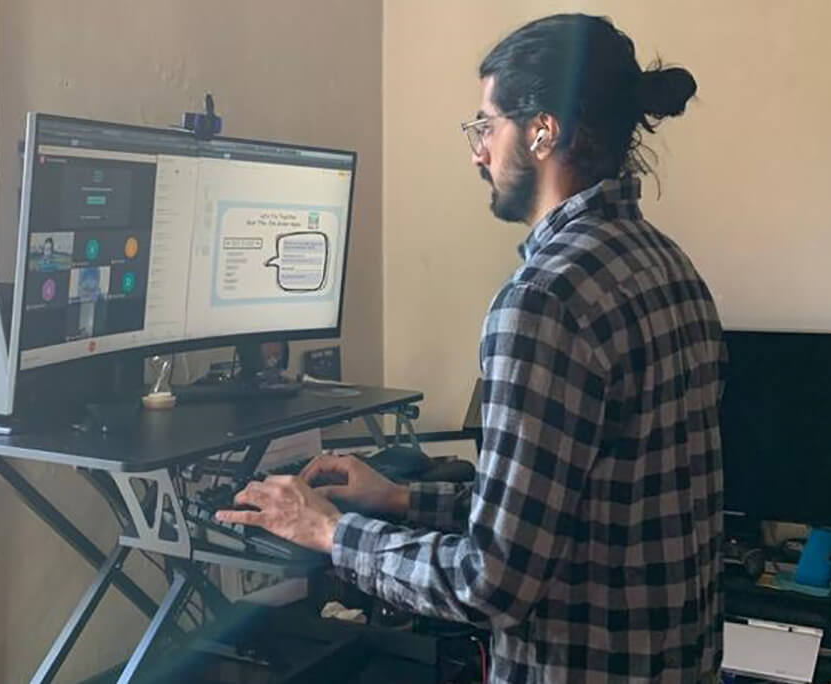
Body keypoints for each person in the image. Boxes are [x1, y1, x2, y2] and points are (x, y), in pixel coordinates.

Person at [217, 13, 725, 683]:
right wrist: (401, 500)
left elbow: (492, 582)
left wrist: (328, 532)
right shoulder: (669, 268)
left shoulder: (544, 301)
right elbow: (570, 515)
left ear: (543, 131)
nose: (477, 151)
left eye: (486, 126)